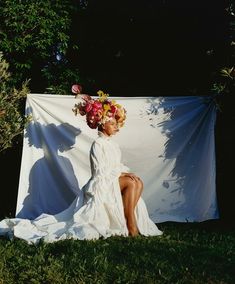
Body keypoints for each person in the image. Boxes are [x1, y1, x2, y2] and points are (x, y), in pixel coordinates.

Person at [0, 89, 162, 244]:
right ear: (102, 125)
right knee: (131, 182)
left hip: (111, 179)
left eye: (115, 124)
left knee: (137, 181)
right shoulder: (98, 144)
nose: (116, 127)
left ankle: (128, 219)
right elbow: (100, 172)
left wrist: (125, 173)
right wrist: (121, 176)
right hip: (102, 183)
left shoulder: (112, 145)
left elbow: (117, 165)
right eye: (112, 124)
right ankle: (130, 224)